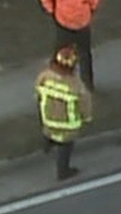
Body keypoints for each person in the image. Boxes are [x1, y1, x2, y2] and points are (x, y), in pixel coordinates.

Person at [38, 0, 104, 90]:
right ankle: (54, 80)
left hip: (81, 26)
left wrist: (92, 7)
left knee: (85, 55)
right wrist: (50, 8)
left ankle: (87, 85)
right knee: (59, 54)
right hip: (65, 25)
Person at [35, 45, 94, 180]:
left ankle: (47, 147)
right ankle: (63, 171)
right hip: (67, 125)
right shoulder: (75, 84)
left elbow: (38, 91)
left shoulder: (45, 76)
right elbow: (85, 103)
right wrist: (87, 117)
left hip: (48, 119)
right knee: (65, 147)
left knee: (49, 133)